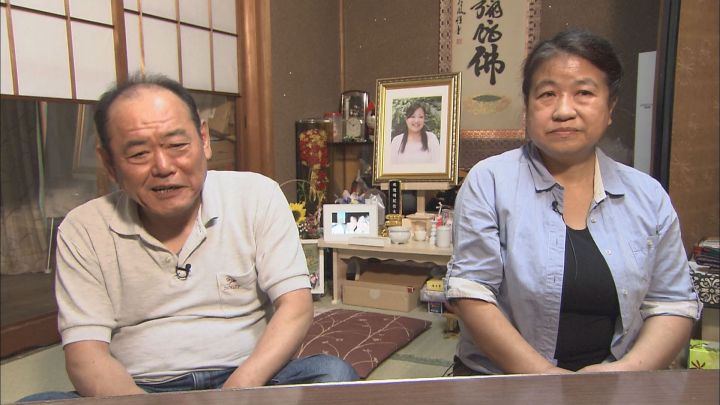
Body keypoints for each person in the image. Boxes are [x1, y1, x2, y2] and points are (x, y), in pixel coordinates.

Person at [19, 74, 357, 402]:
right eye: (138, 154)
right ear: (109, 164)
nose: (163, 166)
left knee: (332, 375)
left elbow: (295, 307)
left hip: (250, 379)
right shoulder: (83, 228)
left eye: (177, 145)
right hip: (137, 390)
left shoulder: (256, 195)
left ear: (204, 140)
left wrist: (238, 391)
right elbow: (84, 355)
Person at [444, 29, 701, 376]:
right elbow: (472, 292)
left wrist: (623, 374)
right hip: (502, 381)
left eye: (584, 93)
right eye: (547, 94)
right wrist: (549, 380)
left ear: (610, 107)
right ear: (527, 106)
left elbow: (673, 303)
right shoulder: (489, 181)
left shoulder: (648, 196)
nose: (564, 111)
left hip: (616, 386)